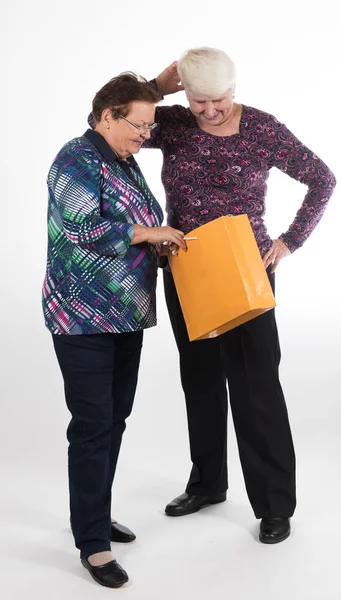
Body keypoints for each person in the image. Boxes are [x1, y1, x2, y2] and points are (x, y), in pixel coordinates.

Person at [145, 47, 336, 544]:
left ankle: (274, 505)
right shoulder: (169, 122)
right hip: (186, 267)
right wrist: (156, 88)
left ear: (235, 88)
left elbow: (322, 179)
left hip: (246, 268)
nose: (209, 110)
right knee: (201, 380)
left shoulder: (263, 128)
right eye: (198, 100)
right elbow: (105, 117)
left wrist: (290, 241)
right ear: (185, 94)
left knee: (256, 388)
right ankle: (208, 483)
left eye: (219, 99)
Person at [42, 73, 185, 588]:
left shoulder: (125, 162)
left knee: (114, 419)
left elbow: (141, 229)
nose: (146, 134)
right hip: (82, 318)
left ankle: (94, 517)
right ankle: (93, 546)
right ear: (107, 116)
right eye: (139, 124)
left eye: (150, 125)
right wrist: (150, 232)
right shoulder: (76, 157)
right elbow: (84, 227)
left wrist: (162, 245)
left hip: (126, 316)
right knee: (93, 425)